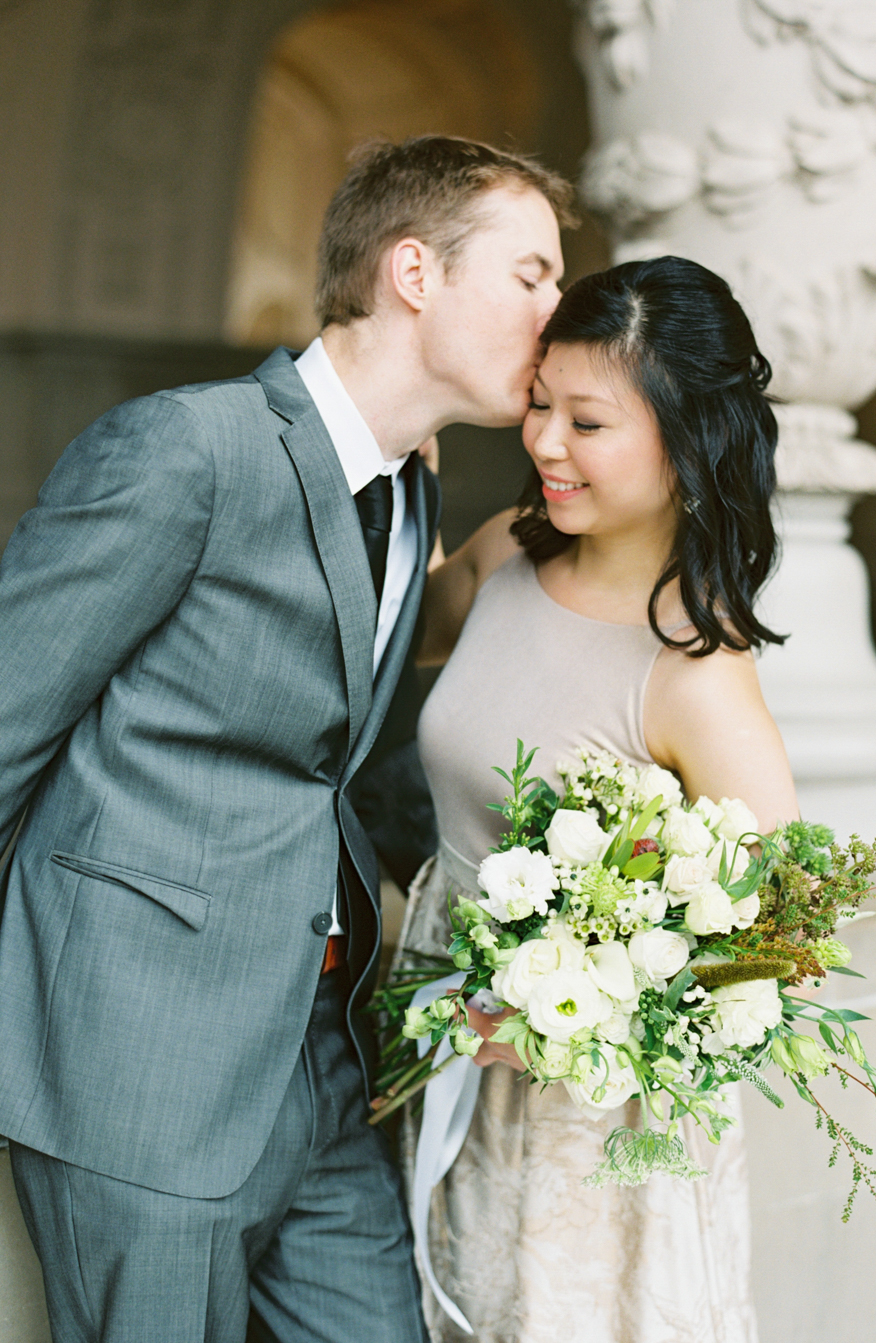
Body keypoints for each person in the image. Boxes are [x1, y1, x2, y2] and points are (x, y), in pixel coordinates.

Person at [0, 135, 572, 1343]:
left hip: (318, 1065)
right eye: (532, 275)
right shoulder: (186, 447)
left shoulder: (414, 493)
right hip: (136, 1071)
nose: (555, 309)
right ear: (414, 271)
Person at [401, 255, 799, 1343]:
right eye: (538, 405)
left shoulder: (694, 672)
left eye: (585, 420)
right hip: (440, 1027)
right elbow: (383, 644)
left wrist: (566, 1018)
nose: (540, 443)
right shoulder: (501, 560)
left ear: (685, 442)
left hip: (593, 1119)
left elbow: (777, 938)